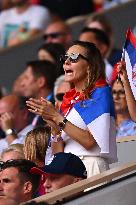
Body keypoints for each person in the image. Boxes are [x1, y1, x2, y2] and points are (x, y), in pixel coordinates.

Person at [26, 41, 117, 177]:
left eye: (73, 58)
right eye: (65, 58)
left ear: (89, 65)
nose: (66, 62)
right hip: (68, 172)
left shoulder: (100, 93)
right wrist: (54, 128)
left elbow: (90, 142)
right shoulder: (70, 100)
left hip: (91, 167)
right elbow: (58, 155)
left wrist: (57, 117)